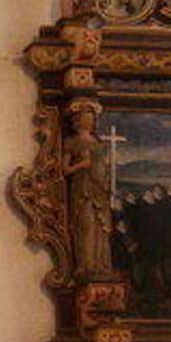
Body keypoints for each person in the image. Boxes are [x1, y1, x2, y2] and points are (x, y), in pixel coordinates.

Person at [61, 101, 113, 274]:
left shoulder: (98, 143)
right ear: (78, 120)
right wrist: (82, 165)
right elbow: (64, 170)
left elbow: (103, 166)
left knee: (101, 228)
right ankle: (86, 266)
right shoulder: (72, 141)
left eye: (92, 118)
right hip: (83, 189)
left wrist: (105, 179)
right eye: (87, 118)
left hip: (99, 189)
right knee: (86, 226)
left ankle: (100, 266)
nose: (90, 121)